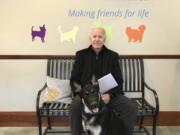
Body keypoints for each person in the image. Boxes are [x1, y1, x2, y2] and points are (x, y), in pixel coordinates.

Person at [70, 27, 138, 135]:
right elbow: (74, 80)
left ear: (104, 39)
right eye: (94, 36)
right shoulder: (81, 55)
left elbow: (118, 80)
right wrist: (83, 95)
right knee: (74, 107)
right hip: (86, 95)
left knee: (131, 107)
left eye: (100, 36)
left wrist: (110, 95)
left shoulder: (113, 56)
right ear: (90, 38)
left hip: (107, 95)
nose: (97, 39)